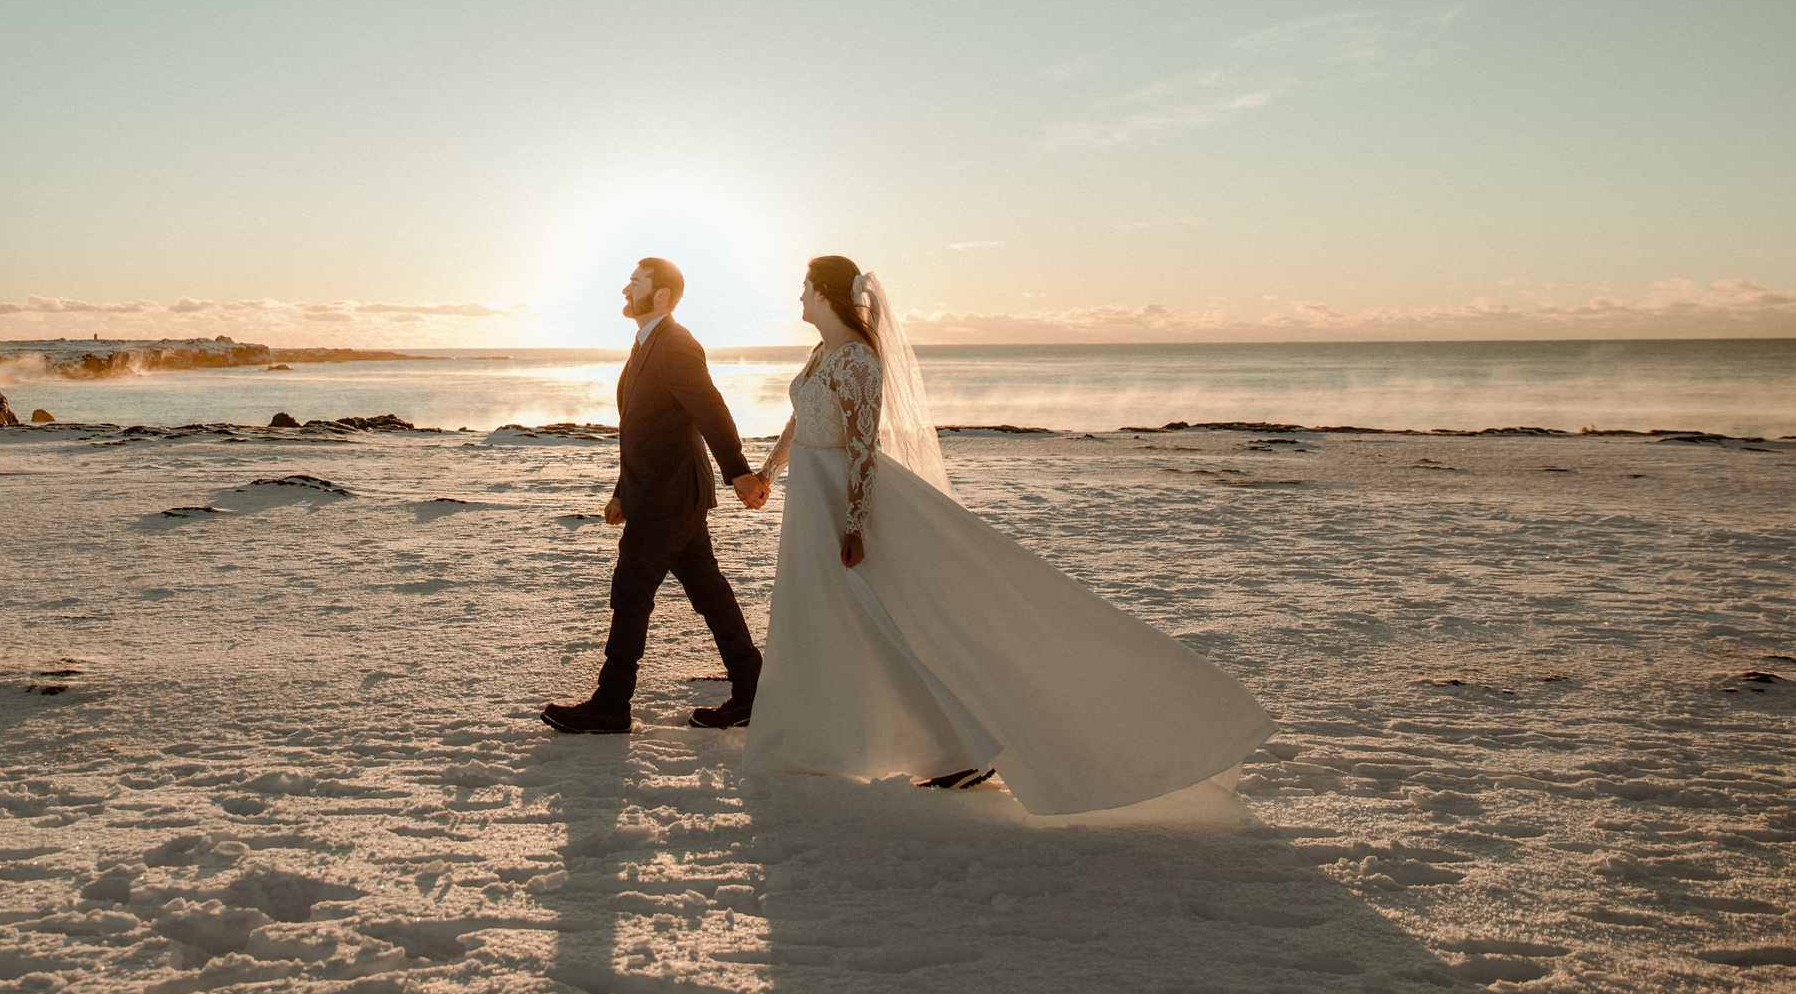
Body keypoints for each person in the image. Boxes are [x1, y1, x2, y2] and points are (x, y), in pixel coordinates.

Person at [741, 256, 1276, 814]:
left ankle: (960, 746)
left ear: (826, 294)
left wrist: (852, 524)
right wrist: (768, 473)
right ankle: (831, 735)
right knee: (829, 616)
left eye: (804, 288)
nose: (798, 298)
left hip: (841, 504)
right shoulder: (822, 353)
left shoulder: (857, 360)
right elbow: (801, 419)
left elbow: (861, 446)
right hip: (810, 497)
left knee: (886, 618)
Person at [542, 257, 770, 735]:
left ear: (661, 295)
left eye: (637, 282)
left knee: (631, 593)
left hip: (670, 497)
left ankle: (611, 704)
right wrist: (622, 491)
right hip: (660, 494)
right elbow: (641, 430)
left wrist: (739, 473)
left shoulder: (677, 344)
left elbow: (710, 409)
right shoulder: (644, 343)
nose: (626, 289)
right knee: (709, 592)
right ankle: (753, 689)